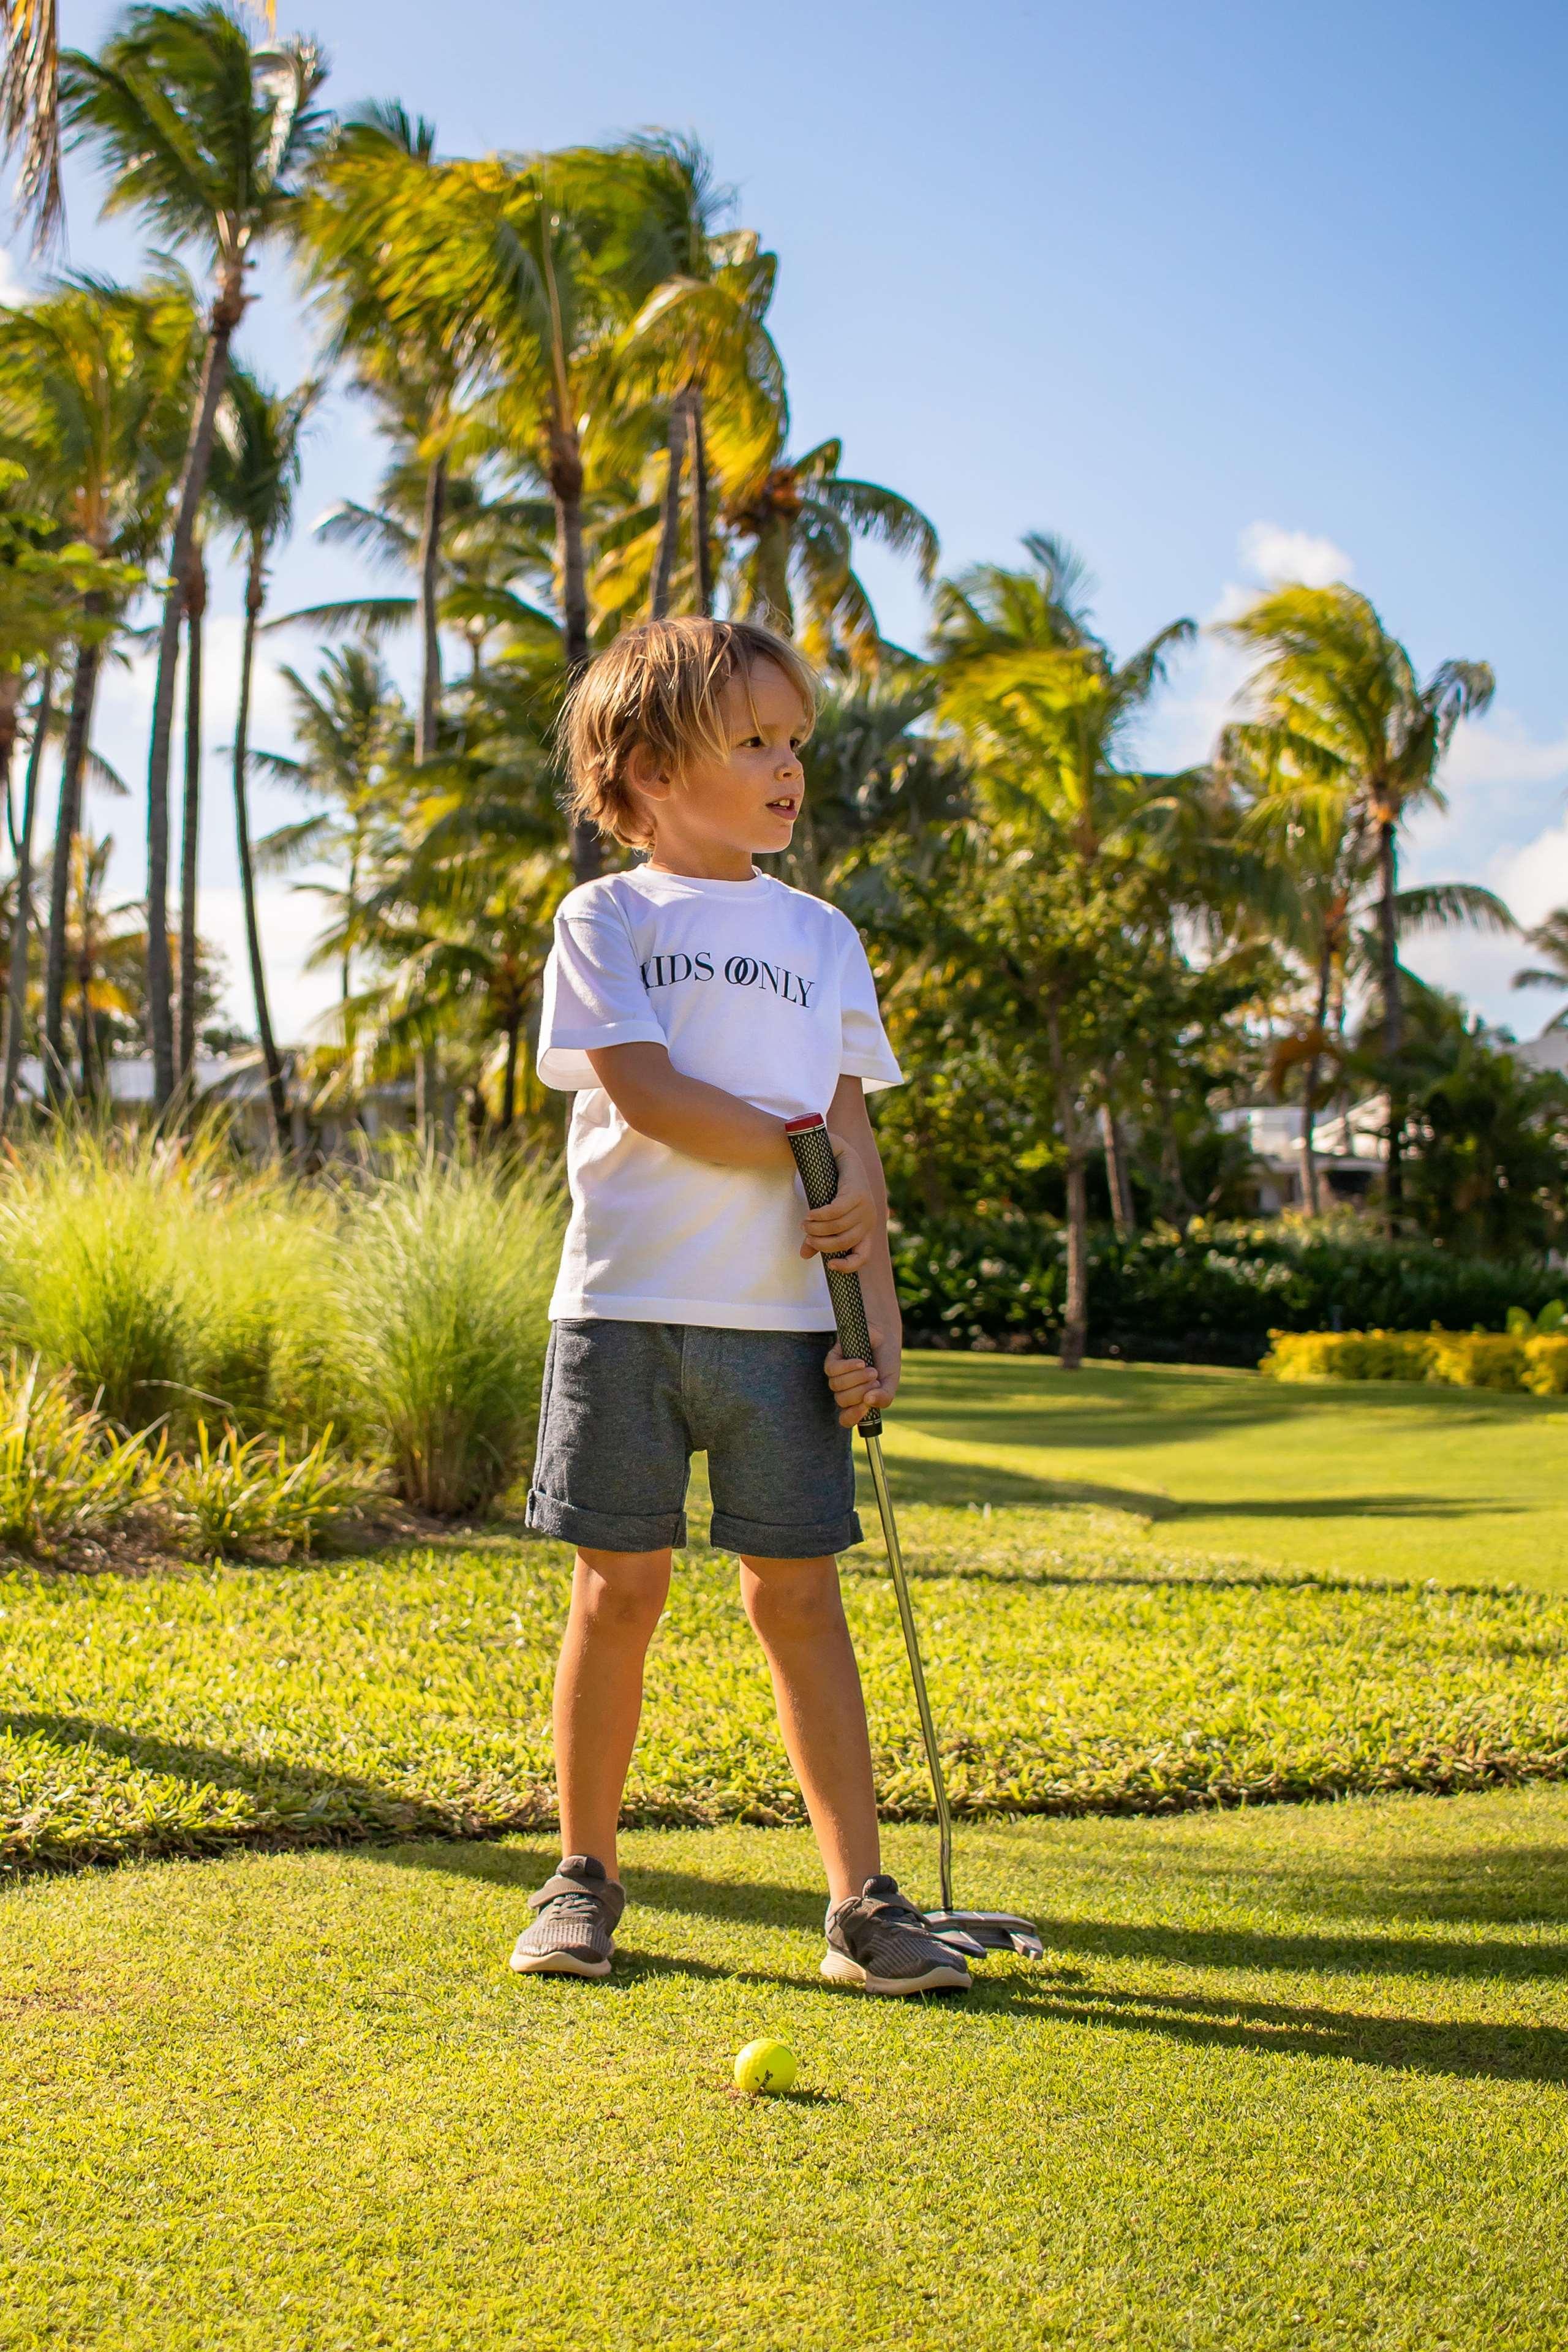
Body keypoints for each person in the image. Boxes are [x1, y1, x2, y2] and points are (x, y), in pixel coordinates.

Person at [510, 615, 970, 1997]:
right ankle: (581, 1876)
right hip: (625, 1314)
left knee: (799, 1601)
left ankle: (859, 1905)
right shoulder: (605, 917)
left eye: (793, 745)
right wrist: (791, 1148)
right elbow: (643, 1094)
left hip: (785, 1330)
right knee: (619, 1589)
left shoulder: (821, 935)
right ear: (648, 771)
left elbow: (851, 1152)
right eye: (750, 744)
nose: (785, 771)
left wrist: (871, 1323)